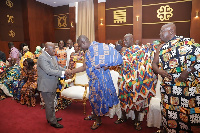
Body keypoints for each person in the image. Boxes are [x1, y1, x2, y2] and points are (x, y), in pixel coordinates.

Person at [66, 35, 123, 130]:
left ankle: (98, 121)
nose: (79, 48)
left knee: (97, 100)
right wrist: (71, 71)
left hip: (101, 79)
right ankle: (95, 115)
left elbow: (117, 56)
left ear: (84, 42)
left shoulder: (100, 47)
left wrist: (108, 65)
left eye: (80, 46)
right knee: (93, 100)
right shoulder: (87, 52)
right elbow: (84, 67)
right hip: (93, 80)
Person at [152, 23, 200, 133]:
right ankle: (168, 129)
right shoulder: (161, 47)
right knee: (168, 111)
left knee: (184, 113)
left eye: (161, 31)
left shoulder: (188, 43)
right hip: (168, 89)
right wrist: (159, 71)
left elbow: (198, 60)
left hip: (185, 89)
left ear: (171, 32)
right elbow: (154, 64)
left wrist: (187, 71)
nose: (159, 34)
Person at [115, 34, 157, 130]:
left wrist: (151, 47)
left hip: (136, 81)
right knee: (123, 98)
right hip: (124, 80)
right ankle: (123, 117)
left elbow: (153, 50)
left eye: (126, 40)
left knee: (137, 101)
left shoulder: (140, 49)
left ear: (132, 39)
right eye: (123, 40)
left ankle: (137, 121)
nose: (124, 41)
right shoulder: (124, 51)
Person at [37, 42, 67, 128]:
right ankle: (53, 121)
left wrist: (66, 70)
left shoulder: (53, 56)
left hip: (52, 84)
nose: (55, 50)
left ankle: (51, 118)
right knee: (49, 104)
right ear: (47, 49)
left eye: (55, 48)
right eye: (53, 49)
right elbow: (49, 71)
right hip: (46, 85)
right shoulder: (42, 58)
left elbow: (57, 67)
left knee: (51, 103)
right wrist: (63, 73)